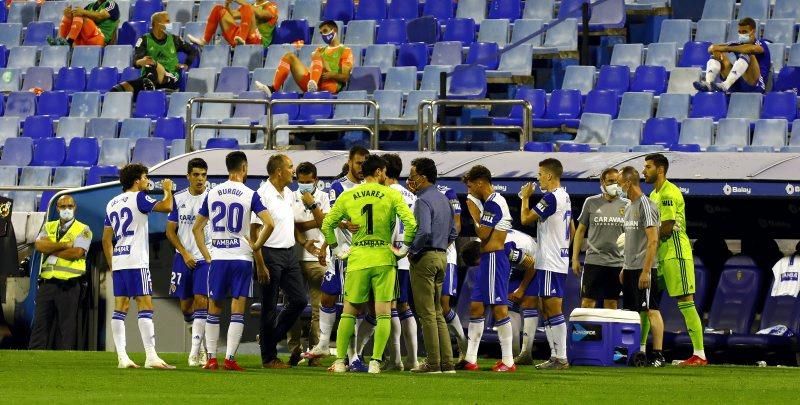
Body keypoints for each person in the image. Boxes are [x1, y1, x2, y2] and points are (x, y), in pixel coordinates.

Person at [321, 155, 417, 374]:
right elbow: (411, 223)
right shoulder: (391, 194)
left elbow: (328, 224)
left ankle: (339, 362)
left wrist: (337, 249)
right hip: (384, 258)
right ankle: (374, 362)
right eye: (383, 171)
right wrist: (403, 249)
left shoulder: (348, 195)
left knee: (348, 313)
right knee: (383, 313)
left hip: (358, 258)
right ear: (380, 172)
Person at [192, 151, 274, 371]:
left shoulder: (213, 193)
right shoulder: (250, 194)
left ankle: (211, 359)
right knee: (237, 310)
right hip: (241, 258)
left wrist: (207, 255)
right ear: (244, 168)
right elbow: (269, 224)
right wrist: (256, 246)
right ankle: (229, 359)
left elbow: (196, 228)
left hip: (217, 259)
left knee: (214, 309)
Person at [102, 164, 174, 369]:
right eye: (145, 177)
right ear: (137, 181)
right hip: (136, 261)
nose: (147, 181)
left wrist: (113, 265)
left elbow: (107, 240)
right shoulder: (139, 197)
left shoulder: (112, 203)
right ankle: (151, 357)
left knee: (120, 308)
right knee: (145, 306)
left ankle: (122, 358)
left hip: (120, 261)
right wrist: (167, 189)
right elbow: (167, 207)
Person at [301, 146, 368, 366]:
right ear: (349, 161)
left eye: (364, 164)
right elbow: (329, 218)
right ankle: (324, 344)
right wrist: (340, 227)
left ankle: (353, 355)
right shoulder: (338, 187)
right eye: (358, 163)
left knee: (355, 306)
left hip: (361, 255)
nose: (361, 168)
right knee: (327, 298)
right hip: (340, 253)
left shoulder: (371, 187)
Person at [643, 153, 707, 366]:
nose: (645, 171)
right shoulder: (653, 195)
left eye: (648, 167)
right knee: (647, 300)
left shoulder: (669, 192)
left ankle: (699, 354)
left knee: (685, 301)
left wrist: (645, 238)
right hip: (660, 255)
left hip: (676, 253)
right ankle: (641, 350)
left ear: (660, 169)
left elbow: (668, 226)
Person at [252, 154, 309, 369]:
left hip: (289, 254)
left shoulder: (288, 194)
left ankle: (268, 340)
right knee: (268, 307)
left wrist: (304, 242)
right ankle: (269, 358)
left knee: (299, 300)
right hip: (269, 255)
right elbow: (253, 232)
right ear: (278, 171)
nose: (293, 171)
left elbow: (291, 223)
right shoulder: (262, 195)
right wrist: (260, 263)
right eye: (290, 167)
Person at [520, 158, 574, 370]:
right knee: (545, 306)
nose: (538, 177)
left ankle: (561, 357)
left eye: (540, 174)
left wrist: (525, 198)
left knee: (553, 308)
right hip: (551, 259)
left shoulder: (551, 198)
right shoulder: (565, 196)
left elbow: (525, 219)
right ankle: (555, 355)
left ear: (550, 175)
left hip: (552, 260)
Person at [461, 165, 516, 372]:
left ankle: (508, 361)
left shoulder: (494, 203)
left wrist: (474, 214)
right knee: (476, 306)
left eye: (470, 186)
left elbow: (484, 234)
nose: (469, 191)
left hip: (494, 259)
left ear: (480, 183)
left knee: (499, 309)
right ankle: (470, 359)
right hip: (487, 260)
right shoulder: (491, 203)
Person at [404, 157, 456, 374]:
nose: (410, 180)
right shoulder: (444, 199)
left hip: (425, 258)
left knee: (426, 313)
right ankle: (447, 363)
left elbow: (423, 231)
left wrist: (413, 250)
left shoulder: (422, 200)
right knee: (436, 313)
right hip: (442, 256)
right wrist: (440, 247)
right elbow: (454, 231)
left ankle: (433, 363)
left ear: (423, 178)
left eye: (413, 175)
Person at [460, 228, 538, 364]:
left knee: (526, 302)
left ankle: (526, 352)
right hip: (510, 264)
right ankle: (513, 354)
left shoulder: (504, 248)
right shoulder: (479, 245)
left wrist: (521, 289)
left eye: (479, 264)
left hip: (534, 260)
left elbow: (532, 264)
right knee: (507, 305)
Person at [617, 166, 665, 368]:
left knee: (651, 309)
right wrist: (624, 267)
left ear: (628, 183)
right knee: (630, 312)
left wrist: (646, 271)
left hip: (644, 268)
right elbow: (631, 240)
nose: (617, 187)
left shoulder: (646, 205)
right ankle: (632, 353)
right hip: (629, 268)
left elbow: (653, 241)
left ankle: (658, 355)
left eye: (619, 183)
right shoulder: (629, 207)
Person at [29, 195, 92, 350]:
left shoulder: (84, 229)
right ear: (57, 208)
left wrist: (52, 250)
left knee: (67, 328)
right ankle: (34, 360)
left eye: (69, 206)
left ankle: (65, 362)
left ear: (75, 207)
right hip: (47, 284)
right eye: (63, 206)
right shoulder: (48, 226)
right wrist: (65, 245)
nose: (66, 209)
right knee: (40, 325)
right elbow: (39, 246)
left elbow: (77, 253)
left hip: (69, 286)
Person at [164, 158, 210, 367]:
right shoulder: (178, 198)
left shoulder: (212, 197)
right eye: (196, 175)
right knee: (186, 306)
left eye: (203, 174)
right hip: (183, 258)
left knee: (202, 301)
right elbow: (170, 231)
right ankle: (199, 342)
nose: (200, 179)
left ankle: (196, 352)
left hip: (205, 258)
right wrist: (184, 253)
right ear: (188, 176)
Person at [286, 162, 330, 367]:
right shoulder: (289, 196)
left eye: (308, 182)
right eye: (301, 182)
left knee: (318, 309)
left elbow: (325, 224)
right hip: (294, 257)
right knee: (292, 306)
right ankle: (294, 350)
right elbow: (290, 225)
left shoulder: (323, 197)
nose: (304, 186)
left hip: (318, 258)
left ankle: (315, 352)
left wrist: (312, 205)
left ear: (316, 181)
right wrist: (312, 222)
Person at [381, 154, 420, 371]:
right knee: (404, 306)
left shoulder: (387, 195)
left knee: (391, 306)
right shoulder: (411, 195)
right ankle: (412, 359)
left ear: (385, 171)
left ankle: (396, 360)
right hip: (406, 257)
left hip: (391, 256)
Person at [573, 168, 628, 310]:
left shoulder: (627, 205)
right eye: (610, 181)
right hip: (593, 262)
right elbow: (580, 231)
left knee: (611, 304)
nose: (614, 185)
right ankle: (585, 333)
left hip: (617, 263)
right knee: (587, 303)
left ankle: (608, 333)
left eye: (617, 182)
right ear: (602, 182)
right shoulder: (591, 202)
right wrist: (574, 259)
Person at [255, 20, 353, 96]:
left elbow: (345, 77)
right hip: (313, 82)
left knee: (316, 55)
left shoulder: (345, 50)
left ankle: (313, 84)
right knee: (289, 56)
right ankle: (272, 89)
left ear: (334, 30)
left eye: (325, 31)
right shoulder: (320, 49)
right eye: (321, 33)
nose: (323, 35)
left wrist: (331, 75)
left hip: (330, 85)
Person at [110, 12, 198, 96]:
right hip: (149, 78)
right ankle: (148, 86)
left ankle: (149, 86)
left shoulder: (175, 39)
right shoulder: (144, 40)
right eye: (167, 21)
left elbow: (193, 50)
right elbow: (136, 61)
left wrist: (186, 64)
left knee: (152, 66)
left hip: (170, 77)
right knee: (117, 90)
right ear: (157, 23)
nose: (170, 24)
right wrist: (141, 62)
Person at [693, 17, 771, 93]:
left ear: (753, 31)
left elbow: (753, 49)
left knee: (748, 53)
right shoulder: (736, 44)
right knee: (717, 55)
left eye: (744, 32)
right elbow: (711, 48)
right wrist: (717, 51)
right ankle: (709, 84)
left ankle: (725, 85)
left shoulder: (761, 44)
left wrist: (727, 49)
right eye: (739, 32)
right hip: (738, 83)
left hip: (755, 85)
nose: (741, 34)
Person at [188, 0, 278, 47]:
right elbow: (233, 15)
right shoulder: (251, 6)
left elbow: (262, 15)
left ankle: (241, 40)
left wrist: (242, 2)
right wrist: (227, 5)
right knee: (218, 9)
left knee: (247, 8)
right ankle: (204, 40)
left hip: (258, 41)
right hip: (239, 38)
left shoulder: (271, 6)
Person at [48, 0, 120, 46]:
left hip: (99, 39)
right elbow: (77, 21)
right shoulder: (90, 6)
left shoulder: (111, 4)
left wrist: (82, 12)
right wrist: (69, 14)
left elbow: (100, 16)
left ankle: (68, 42)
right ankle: (60, 41)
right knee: (69, 16)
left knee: (79, 15)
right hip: (84, 40)